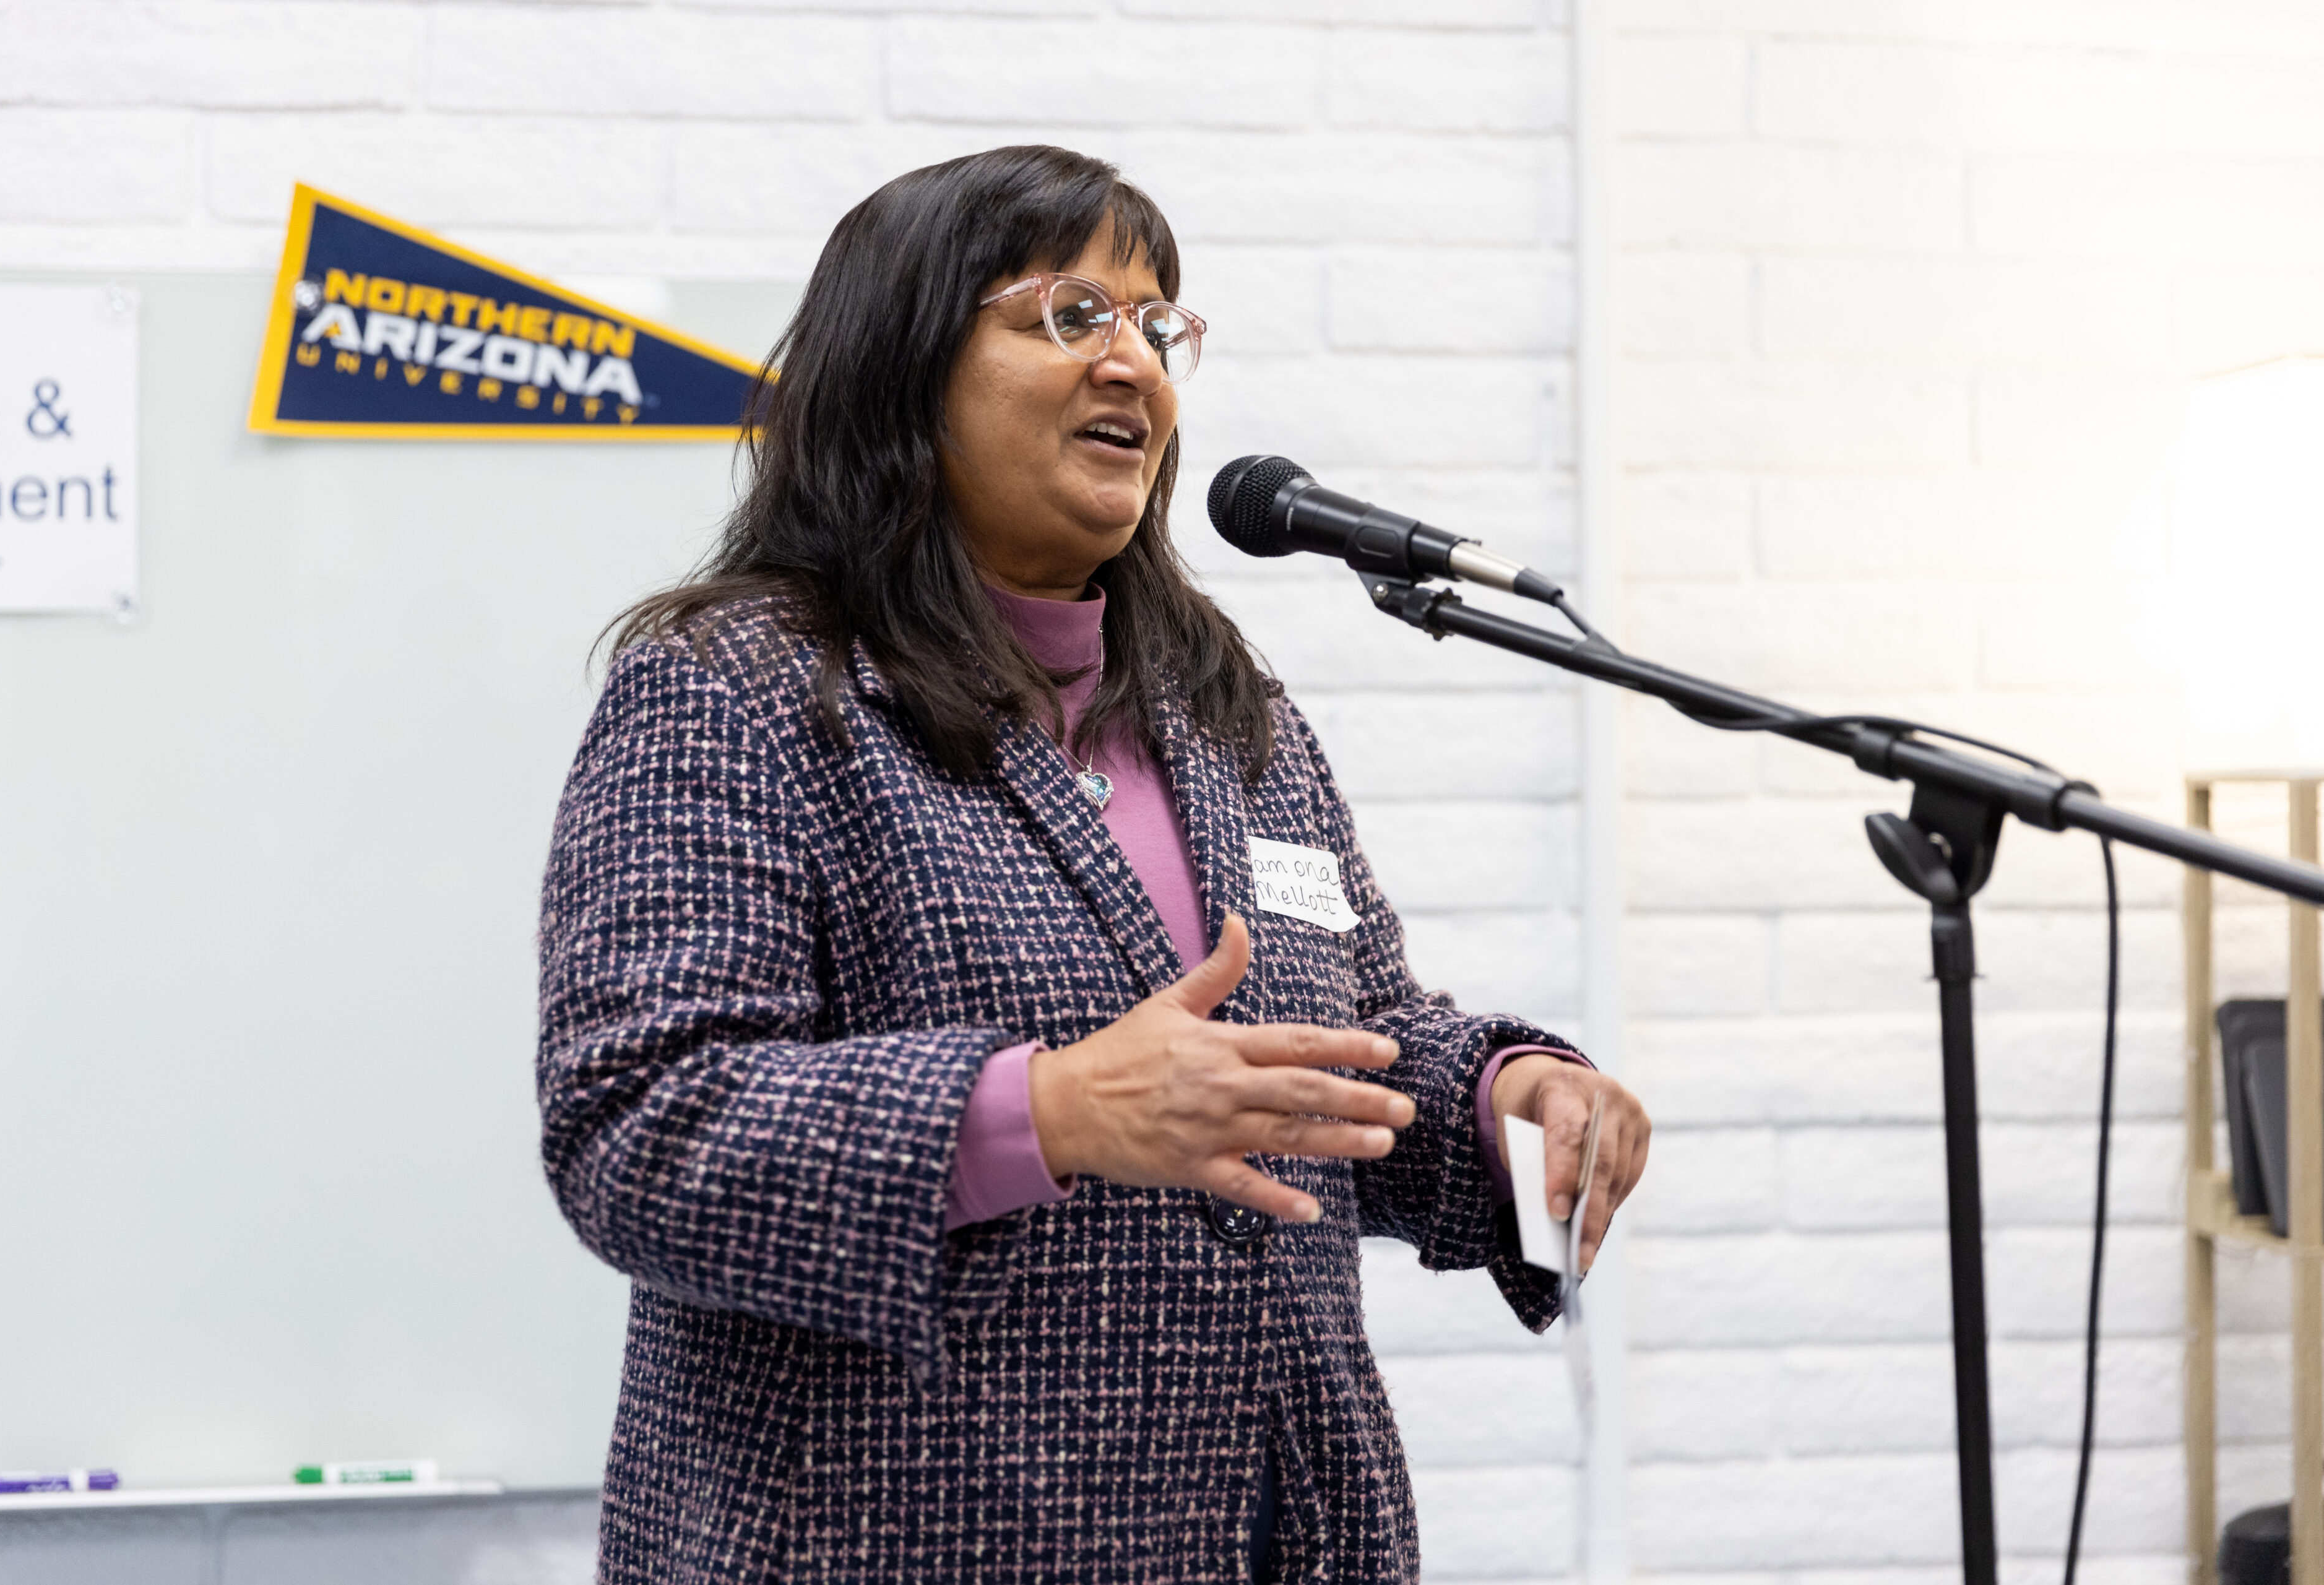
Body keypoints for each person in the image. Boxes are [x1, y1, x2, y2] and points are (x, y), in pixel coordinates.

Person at [537, 143, 1650, 1584]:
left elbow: (1344, 1059)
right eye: (1071, 315)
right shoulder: (734, 690)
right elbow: (641, 1130)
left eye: (1155, 323)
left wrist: (1508, 1096)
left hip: (1275, 1534)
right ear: (904, 369)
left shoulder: (1221, 707)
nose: (1134, 361)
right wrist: (1048, 1109)